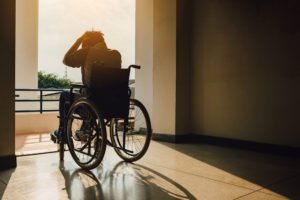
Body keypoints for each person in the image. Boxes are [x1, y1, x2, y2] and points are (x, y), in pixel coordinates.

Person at [51, 31, 122, 142]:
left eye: (84, 43)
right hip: (114, 104)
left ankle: (63, 132)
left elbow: (66, 60)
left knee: (65, 96)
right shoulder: (116, 54)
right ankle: (85, 129)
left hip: (93, 103)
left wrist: (78, 41)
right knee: (89, 94)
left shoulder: (87, 51)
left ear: (88, 42)